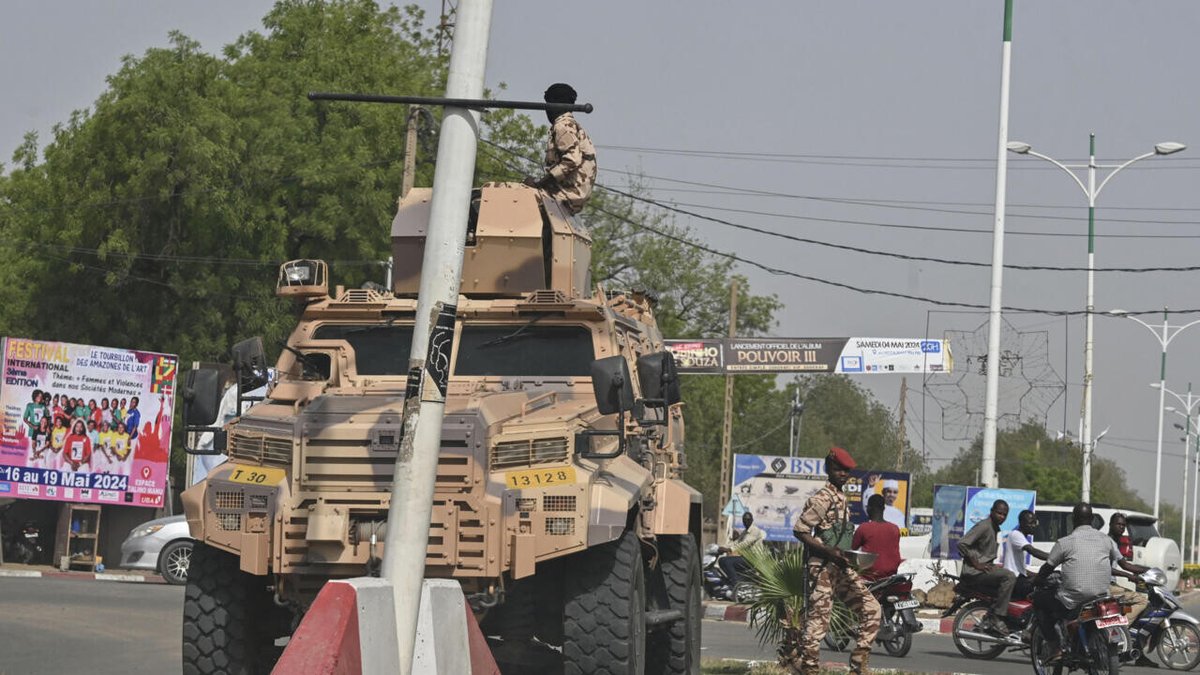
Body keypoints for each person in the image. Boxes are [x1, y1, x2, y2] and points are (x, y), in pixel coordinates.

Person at [792, 447, 880, 675]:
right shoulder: (823, 497)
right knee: (818, 623)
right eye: (838, 469)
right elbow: (800, 530)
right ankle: (808, 669)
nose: (843, 474)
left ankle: (858, 665)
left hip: (840, 566)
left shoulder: (841, 497)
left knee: (872, 609)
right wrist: (828, 551)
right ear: (828, 469)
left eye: (846, 470)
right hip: (821, 568)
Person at [1033, 503, 1146, 663]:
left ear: (1073, 520)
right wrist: (1147, 570)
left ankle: (1054, 646)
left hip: (1073, 601)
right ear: (1092, 519)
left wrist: (1036, 581)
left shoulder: (1065, 542)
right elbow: (1125, 565)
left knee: (1039, 600)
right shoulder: (1107, 541)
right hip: (1101, 597)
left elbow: (1047, 568)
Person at [523, 82, 596, 215]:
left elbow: (572, 160)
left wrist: (539, 184)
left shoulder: (562, 126)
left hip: (567, 194)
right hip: (571, 194)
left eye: (548, 104)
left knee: (514, 197)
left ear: (555, 103)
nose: (546, 109)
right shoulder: (571, 125)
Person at [958, 499, 1017, 634]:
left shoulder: (995, 528)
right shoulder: (984, 526)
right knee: (1009, 577)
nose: (1001, 517)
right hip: (974, 573)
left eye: (1004, 515)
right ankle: (997, 616)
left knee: (1014, 577)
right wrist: (977, 564)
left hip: (984, 569)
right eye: (999, 513)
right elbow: (962, 543)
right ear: (992, 512)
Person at [1107, 513, 1150, 627]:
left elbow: (1125, 564)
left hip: (1111, 584)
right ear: (1110, 525)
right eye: (1118, 524)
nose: (1121, 527)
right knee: (1142, 601)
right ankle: (1121, 629)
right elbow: (1107, 568)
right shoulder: (1108, 542)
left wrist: (1148, 570)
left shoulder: (1114, 542)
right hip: (1106, 586)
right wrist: (1129, 575)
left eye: (1123, 525)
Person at [1002, 510, 1049, 600]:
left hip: (1018, 579)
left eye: (1035, 523)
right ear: (1021, 523)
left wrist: (1037, 574)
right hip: (1014, 581)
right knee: (1045, 594)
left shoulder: (1020, 537)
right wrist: (1055, 557)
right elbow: (1033, 551)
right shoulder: (1016, 534)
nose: (1034, 526)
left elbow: (1021, 569)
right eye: (1031, 523)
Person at [852, 494, 901, 580]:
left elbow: (852, 550)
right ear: (884, 509)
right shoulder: (895, 529)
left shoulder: (864, 528)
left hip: (869, 578)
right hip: (891, 576)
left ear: (869, 508)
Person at [718, 511, 766, 584]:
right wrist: (723, 547)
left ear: (752, 520)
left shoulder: (755, 530)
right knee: (721, 560)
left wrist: (729, 549)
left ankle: (736, 583)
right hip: (745, 558)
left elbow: (744, 543)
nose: (746, 521)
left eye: (748, 520)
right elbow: (736, 542)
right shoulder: (745, 532)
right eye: (744, 520)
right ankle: (732, 579)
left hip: (753, 559)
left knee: (727, 562)